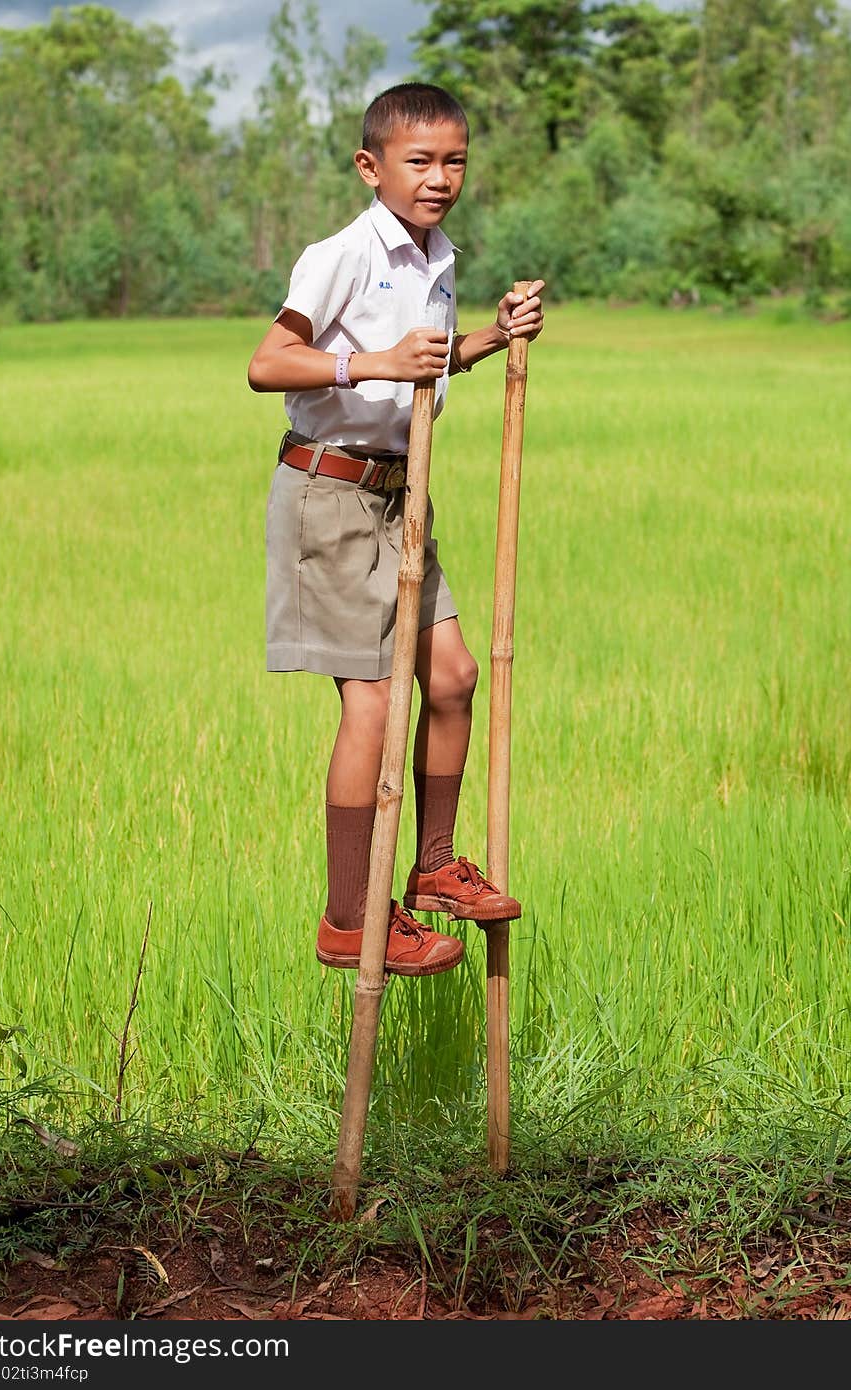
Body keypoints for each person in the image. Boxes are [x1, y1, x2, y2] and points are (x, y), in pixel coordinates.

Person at [247, 81, 544, 978]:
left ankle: (435, 866)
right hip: (330, 497)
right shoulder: (341, 253)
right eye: (420, 161)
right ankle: (347, 918)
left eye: (455, 160)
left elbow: (421, 361)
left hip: (400, 494)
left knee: (452, 678)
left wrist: (492, 336)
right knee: (372, 710)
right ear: (371, 167)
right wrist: (370, 361)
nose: (440, 177)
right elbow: (268, 363)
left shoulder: (435, 259)